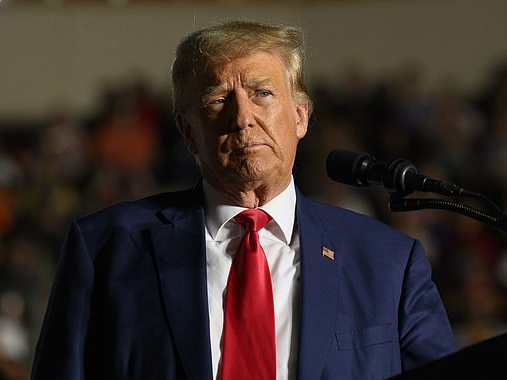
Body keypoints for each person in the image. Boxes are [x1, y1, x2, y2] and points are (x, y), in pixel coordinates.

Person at [31, 21, 457, 380]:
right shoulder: (105, 248)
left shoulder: (389, 263)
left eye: (262, 94)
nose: (242, 117)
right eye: (218, 100)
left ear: (300, 116)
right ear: (187, 132)